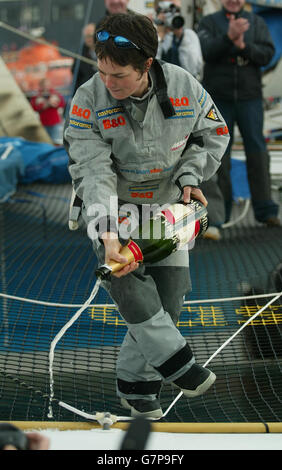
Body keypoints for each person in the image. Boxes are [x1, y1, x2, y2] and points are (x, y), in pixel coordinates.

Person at [64, 13, 230, 418]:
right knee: (128, 284)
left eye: (118, 75)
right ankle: (178, 363)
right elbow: (92, 168)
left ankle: (135, 386)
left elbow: (214, 135)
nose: (108, 82)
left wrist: (191, 177)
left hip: (167, 207)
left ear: (147, 66)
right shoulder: (88, 99)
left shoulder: (185, 86)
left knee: (169, 300)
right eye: (102, 71)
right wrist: (106, 233)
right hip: (112, 207)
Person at [198, 0, 280, 226]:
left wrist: (244, 46)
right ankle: (218, 216)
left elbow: (267, 55)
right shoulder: (208, 22)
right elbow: (206, 51)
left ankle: (266, 211)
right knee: (217, 154)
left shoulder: (257, 22)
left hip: (249, 96)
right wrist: (229, 38)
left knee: (257, 150)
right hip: (218, 99)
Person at [157, 14, 203, 80]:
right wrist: (160, 36)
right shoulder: (167, 37)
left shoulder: (189, 35)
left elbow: (193, 64)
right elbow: (157, 58)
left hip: (187, 78)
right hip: (170, 78)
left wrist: (180, 36)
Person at [31, 77, 65, 144]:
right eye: (43, 85)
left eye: (47, 85)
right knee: (45, 142)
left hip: (55, 122)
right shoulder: (37, 96)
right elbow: (34, 107)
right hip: (43, 123)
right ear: (40, 86)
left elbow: (62, 104)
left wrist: (52, 104)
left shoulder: (55, 94)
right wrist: (46, 104)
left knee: (56, 141)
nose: (45, 87)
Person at [72, 23, 98, 94]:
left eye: (90, 36)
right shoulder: (80, 53)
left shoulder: (105, 50)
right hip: (87, 90)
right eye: (85, 37)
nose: (88, 39)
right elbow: (76, 74)